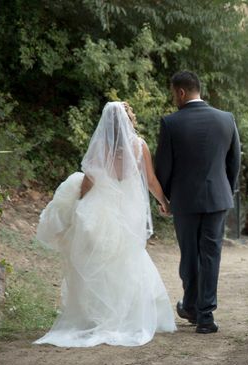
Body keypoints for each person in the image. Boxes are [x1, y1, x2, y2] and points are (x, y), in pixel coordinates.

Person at [34, 101, 176, 347]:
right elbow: (150, 180)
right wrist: (163, 201)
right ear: (129, 121)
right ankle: (129, 315)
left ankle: (99, 315)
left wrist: (78, 201)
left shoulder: (101, 145)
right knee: (128, 258)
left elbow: (89, 180)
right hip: (129, 210)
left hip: (101, 208)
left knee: (99, 262)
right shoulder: (139, 145)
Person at [155, 71, 241, 334]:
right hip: (218, 197)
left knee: (190, 255)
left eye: (173, 94)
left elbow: (164, 167)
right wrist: (226, 190)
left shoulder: (171, 123)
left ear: (181, 92)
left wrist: (166, 198)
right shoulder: (226, 119)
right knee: (211, 255)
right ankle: (205, 316)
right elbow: (234, 161)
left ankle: (191, 306)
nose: (174, 99)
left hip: (185, 200)